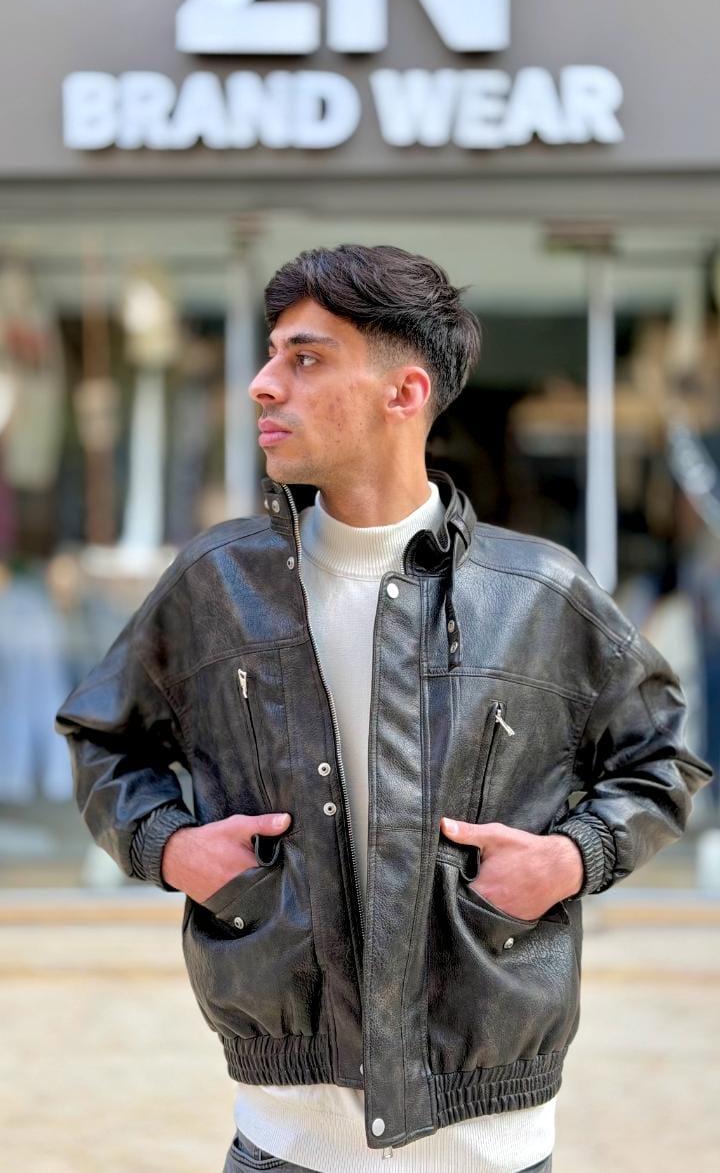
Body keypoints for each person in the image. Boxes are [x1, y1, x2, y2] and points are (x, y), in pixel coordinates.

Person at [55, 244, 713, 1173]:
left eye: (305, 358)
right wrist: (172, 846)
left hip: (492, 1143)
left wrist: (573, 857)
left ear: (404, 393)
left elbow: (661, 756)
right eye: (272, 354)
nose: (263, 384)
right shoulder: (219, 583)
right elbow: (103, 736)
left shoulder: (540, 592)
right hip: (286, 1135)